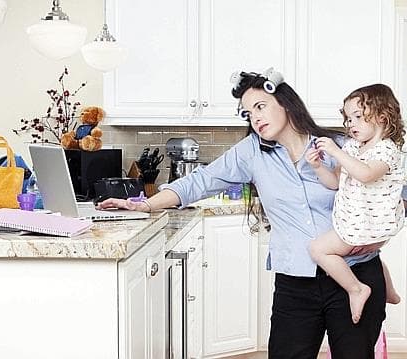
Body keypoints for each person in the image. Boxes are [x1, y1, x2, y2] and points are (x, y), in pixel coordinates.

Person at [98, 69, 387, 359]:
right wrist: (145, 204)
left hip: (357, 274)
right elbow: (198, 182)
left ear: (285, 103)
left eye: (260, 107)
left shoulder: (339, 146)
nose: (255, 118)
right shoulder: (251, 153)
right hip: (295, 284)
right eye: (248, 113)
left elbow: (394, 192)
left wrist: (380, 238)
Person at [305, 84, 406, 324]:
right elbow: (334, 183)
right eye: (348, 119)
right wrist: (318, 167)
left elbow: (366, 174)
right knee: (372, 256)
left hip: (370, 223)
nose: (351, 124)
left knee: (318, 249)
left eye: (358, 117)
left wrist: (336, 152)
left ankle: (356, 289)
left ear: (382, 116)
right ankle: (389, 292)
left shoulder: (387, 150)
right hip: (362, 222)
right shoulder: (352, 147)